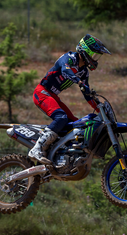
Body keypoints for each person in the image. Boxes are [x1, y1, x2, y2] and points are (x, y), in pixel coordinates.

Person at [28, 34, 111, 165]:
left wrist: (100, 108)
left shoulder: (84, 72)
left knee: (75, 124)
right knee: (61, 117)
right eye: (94, 55)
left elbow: (87, 94)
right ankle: (37, 148)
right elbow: (66, 70)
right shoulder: (68, 58)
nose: (95, 59)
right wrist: (79, 82)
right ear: (85, 51)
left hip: (53, 96)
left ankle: (58, 152)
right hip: (42, 92)